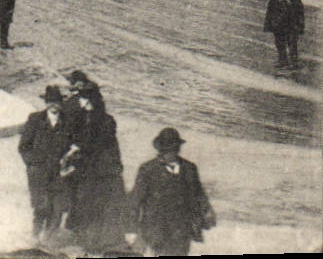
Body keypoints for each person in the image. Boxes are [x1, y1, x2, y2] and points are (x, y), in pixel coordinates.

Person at [63, 79, 128, 255]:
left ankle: (100, 242)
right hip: (85, 168)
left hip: (102, 170)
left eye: (84, 97)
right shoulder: (80, 117)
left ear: (92, 99)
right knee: (83, 202)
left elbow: (99, 142)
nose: (81, 101)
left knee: (99, 205)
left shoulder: (107, 121)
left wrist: (78, 147)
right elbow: (72, 137)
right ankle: (85, 239)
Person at [131, 127, 213, 256]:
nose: (170, 153)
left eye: (173, 149)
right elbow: (135, 199)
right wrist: (135, 228)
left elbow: (199, 194)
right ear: (160, 150)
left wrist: (206, 213)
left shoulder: (190, 169)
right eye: (166, 150)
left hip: (181, 229)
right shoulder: (148, 169)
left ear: (178, 148)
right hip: (155, 227)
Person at [18, 85, 70, 242]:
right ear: (46, 103)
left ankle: (49, 240)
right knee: (42, 206)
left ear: (61, 103)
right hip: (39, 172)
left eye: (56, 101)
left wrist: (68, 162)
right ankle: (35, 237)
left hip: (60, 173)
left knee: (58, 208)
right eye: (50, 101)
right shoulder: (35, 119)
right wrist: (33, 165)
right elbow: (24, 146)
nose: (53, 105)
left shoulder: (68, 122)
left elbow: (75, 145)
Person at [264, 0, 305, 75]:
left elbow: (300, 13)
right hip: (279, 27)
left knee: (292, 44)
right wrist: (269, 25)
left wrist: (300, 26)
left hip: (291, 27)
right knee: (280, 44)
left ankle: (293, 63)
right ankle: (283, 61)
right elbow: (270, 12)